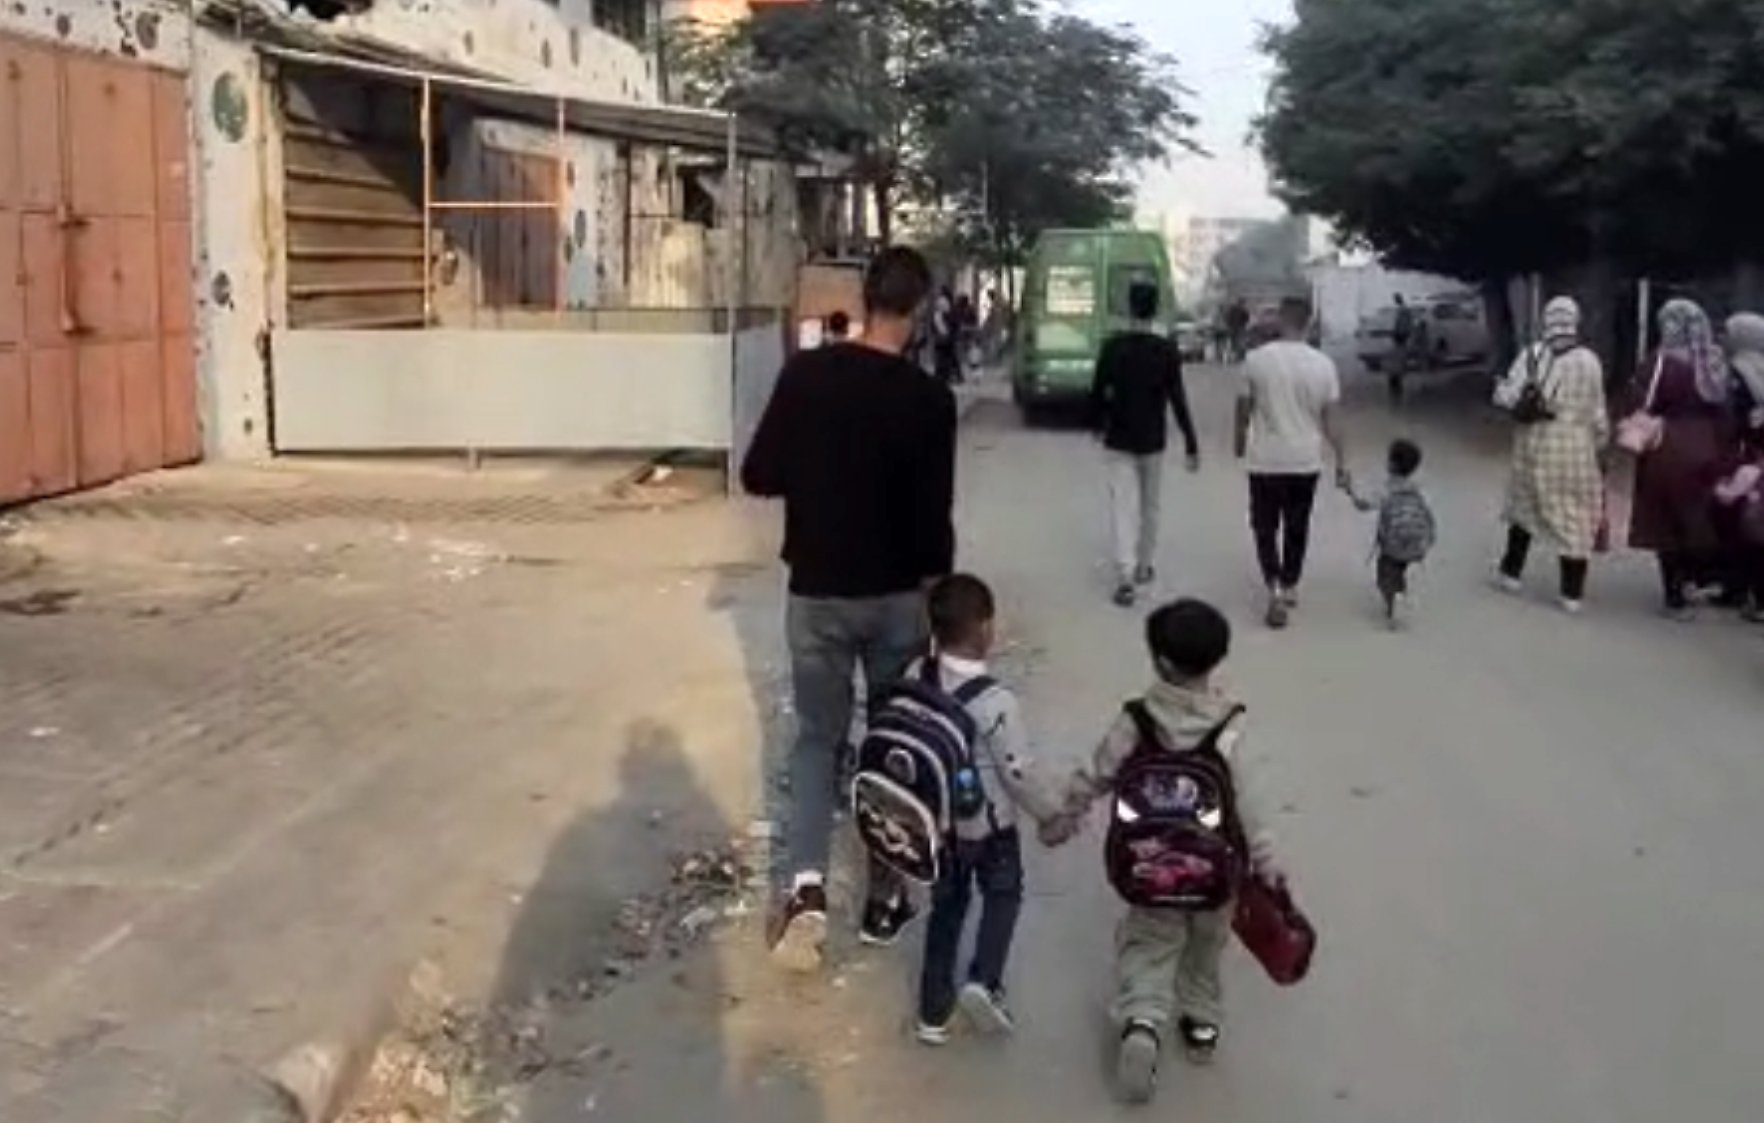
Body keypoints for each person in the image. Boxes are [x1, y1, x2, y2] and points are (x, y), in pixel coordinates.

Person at [741, 246, 958, 970]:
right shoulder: (930, 401)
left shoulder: (806, 376)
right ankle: (885, 894)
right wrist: (937, 601)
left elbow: (759, 473)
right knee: (891, 738)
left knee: (816, 740)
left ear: (865, 300)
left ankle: (804, 888)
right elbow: (935, 522)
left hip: (818, 592)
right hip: (898, 598)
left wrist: (819, 472)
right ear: (920, 310)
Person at [1041, 599, 1278, 1105]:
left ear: (1159, 661)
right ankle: (1200, 1022)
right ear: (1217, 661)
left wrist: (1066, 814)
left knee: (1149, 942)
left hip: (1149, 865)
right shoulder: (1228, 726)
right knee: (1206, 946)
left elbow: (1098, 771)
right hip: (1217, 872)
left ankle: (1143, 1020)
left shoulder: (1137, 719)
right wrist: (1268, 860)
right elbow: (1251, 803)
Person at [910, 574, 1061, 1045]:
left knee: (946, 909)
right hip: (990, 826)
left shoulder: (917, 674)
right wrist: (1052, 813)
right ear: (986, 630)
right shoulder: (997, 702)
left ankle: (932, 1012)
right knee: (1002, 896)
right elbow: (1018, 773)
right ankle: (984, 980)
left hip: (938, 824)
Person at [1234, 297, 1349, 629]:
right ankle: (1290, 583)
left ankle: (1273, 583)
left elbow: (1243, 408)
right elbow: (1332, 420)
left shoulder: (1255, 360)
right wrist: (1342, 462)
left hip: (1265, 459)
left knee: (1264, 524)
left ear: (1280, 321)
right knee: (1298, 525)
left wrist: (1239, 442)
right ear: (1308, 323)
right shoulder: (1324, 365)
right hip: (1305, 460)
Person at [1492, 296, 1609, 614]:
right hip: (1576, 445)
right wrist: (1599, 445)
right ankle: (1571, 594)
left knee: (1524, 507)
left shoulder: (1533, 354)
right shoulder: (1590, 361)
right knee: (1574, 515)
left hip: (1534, 441)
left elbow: (1509, 397)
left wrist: (1501, 390)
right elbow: (1598, 411)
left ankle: (1511, 573)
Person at [1090, 281, 1202, 608]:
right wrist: (1191, 443)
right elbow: (1177, 398)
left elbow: (1097, 391)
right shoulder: (1165, 350)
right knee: (1150, 505)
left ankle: (1124, 574)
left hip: (1119, 437)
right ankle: (1143, 565)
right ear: (1154, 309)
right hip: (1153, 439)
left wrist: (1096, 424)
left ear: (1129, 307)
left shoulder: (1113, 347)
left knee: (1122, 505)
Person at [1627, 298, 1734, 618]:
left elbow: (1642, 401)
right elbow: (1726, 409)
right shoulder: (1714, 359)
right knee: (1698, 516)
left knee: (1665, 522)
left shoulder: (1660, 361)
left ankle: (1675, 597)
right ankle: (1695, 579)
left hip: (1668, 445)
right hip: (1708, 445)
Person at [1345, 438, 1437, 629]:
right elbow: (1427, 514)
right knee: (1399, 568)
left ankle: (1394, 603)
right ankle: (1399, 592)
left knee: (1385, 574)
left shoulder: (1386, 489)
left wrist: (1349, 489)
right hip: (1417, 543)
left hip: (1392, 544)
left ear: (1391, 464)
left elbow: (1363, 504)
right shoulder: (1418, 489)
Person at [1712, 430, 1764, 622]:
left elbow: (1727, 498)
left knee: (1755, 567)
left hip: (1756, 533)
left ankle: (1757, 606)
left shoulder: (1749, 472)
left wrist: (1718, 485)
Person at [1388, 294, 1416, 404]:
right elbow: (1408, 323)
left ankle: (1396, 382)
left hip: (1401, 335)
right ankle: (1397, 382)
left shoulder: (1402, 310)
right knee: (1399, 357)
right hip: (1402, 335)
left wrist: (1397, 332)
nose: (1395, 301)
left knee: (1398, 358)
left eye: (1396, 299)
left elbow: (1400, 323)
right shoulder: (1404, 310)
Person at [1224, 299, 1251, 364]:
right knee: (1241, 343)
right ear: (1242, 303)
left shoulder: (1231, 309)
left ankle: (1232, 358)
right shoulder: (1243, 310)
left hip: (1232, 328)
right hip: (1240, 328)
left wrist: (1229, 325)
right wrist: (1244, 324)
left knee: (1233, 343)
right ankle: (1240, 357)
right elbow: (1247, 318)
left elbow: (1227, 318)